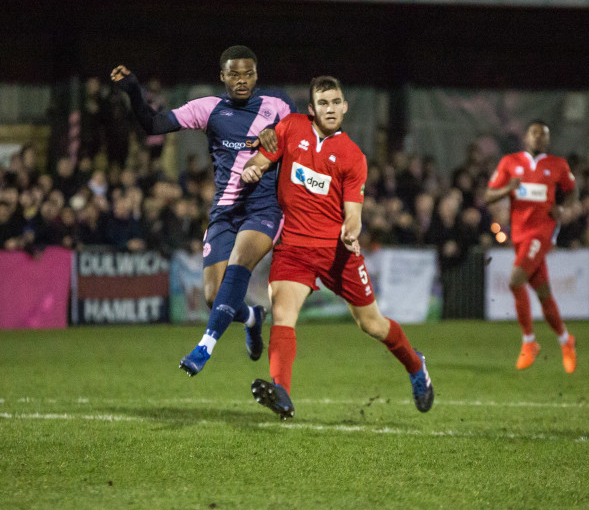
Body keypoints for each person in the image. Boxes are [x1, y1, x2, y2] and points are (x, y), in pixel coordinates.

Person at [241, 75, 434, 419]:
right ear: (312, 110)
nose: (330, 109)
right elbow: (260, 160)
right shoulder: (290, 128)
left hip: (336, 252)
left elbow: (354, 214)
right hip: (294, 248)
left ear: (345, 107)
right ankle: (281, 392)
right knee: (283, 315)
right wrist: (252, 170)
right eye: (323, 104)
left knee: (372, 324)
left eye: (336, 103)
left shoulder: (352, 156)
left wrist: (351, 231)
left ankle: (415, 364)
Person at [110, 46, 297, 374]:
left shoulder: (278, 105)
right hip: (224, 212)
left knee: (240, 262)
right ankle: (252, 317)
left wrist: (279, 136)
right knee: (214, 298)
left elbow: (302, 140)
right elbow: (154, 124)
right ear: (222, 76)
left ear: (257, 75)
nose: (242, 81)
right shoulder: (208, 109)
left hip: (264, 208)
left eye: (248, 74)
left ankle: (204, 347)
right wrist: (134, 92)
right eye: (234, 74)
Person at [484, 119, 579, 373]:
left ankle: (529, 342)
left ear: (547, 140)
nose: (538, 137)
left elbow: (572, 190)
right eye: (534, 133)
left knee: (515, 280)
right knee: (544, 293)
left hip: (542, 232)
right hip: (519, 235)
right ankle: (566, 341)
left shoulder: (557, 165)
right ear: (526, 137)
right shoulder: (510, 163)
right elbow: (488, 195)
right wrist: (508, 188)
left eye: (543, 134)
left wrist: (563, 207)